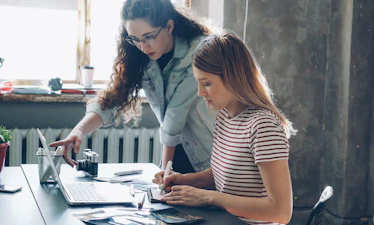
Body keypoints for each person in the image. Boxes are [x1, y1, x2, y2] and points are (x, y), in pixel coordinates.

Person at [50, 0, 215, 174]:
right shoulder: (139, 55)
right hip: (176, 153)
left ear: (169, 26)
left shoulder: (197, 51)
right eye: (135, 39)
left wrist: (165, 175)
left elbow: (175, 114)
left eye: (149, 37)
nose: (143, 47)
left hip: (207, 156)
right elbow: (113, 98)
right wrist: (78, 131)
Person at [153, 31, 297, 225]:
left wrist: (207, 197)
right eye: (198, 83)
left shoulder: (263, 126)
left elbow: (280, 212)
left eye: (207, 83)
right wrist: (183, 180)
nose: (200, 92)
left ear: (232, 77)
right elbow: (224, 174)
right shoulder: (224, 116)